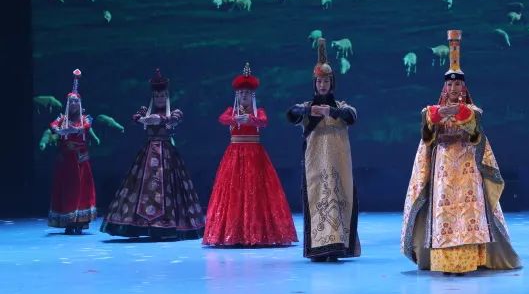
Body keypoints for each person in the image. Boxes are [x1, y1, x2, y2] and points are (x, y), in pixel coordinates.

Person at [401, 30, 520, 275]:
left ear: (463, 86)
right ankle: (443, 261)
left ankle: (469, 259)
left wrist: (457, 114)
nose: (454, 87)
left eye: (457, 84)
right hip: (443, 166)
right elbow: (427, 131)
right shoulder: (433, 110)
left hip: (467, 167)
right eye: (450, 84)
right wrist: (438, 115)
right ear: (445, 86)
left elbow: (474, 126)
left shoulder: (472, 110)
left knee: (468, 212)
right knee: (444, 211)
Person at [100, 69, 205, 240]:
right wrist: (143, 119)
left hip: (167, 154)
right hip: (148, 152)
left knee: (168, 188)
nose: (160, 99)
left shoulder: (174, 112)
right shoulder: (146, 111)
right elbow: (136, 117)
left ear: (167, 96)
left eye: (162, 96)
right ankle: (144, 224)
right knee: (143, 187)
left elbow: (174, 120)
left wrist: (159, 119)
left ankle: (166, 225)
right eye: (157, 96)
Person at [203, 63, 298, 247]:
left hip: (255, 156)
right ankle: (233, 233)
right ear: (237, 96)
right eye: (241, 93)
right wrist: (235, 119)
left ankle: (260, 233)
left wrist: (250, 119)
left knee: (257, 191)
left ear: (252, 95)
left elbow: (264, 121)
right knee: (233, 192)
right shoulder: (232, 112)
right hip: (234, 155)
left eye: (247, 93)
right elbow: (222, 119)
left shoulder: (258, 111)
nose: (244, 96)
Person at [287, 39, 360, 261]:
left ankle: (338, 247)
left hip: (339, 165)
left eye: (326, 81)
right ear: (315, 83)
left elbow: (352, 116)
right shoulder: (308, 108)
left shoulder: (341, 107)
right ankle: (318, 248)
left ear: (332, 83)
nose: (322, 85)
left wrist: (332, 112)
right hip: (315, 165)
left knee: (339, 200)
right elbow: (291, 113)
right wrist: (310, 110)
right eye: (319, 81)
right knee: (317, 200)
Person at [45, 69, 97, 234]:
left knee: (82, 189)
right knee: (67, 189)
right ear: (68, 104)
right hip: (66, 161)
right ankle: (68, 220)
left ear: (79, 103)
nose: (74, 104)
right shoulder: (62, 118)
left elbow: (85, 128)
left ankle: (80, 221)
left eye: (76, 101)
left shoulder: (85, 118)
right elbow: (53, 125)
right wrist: (59, 130)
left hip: (80, 160)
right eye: (71, 101)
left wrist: (71, 130)